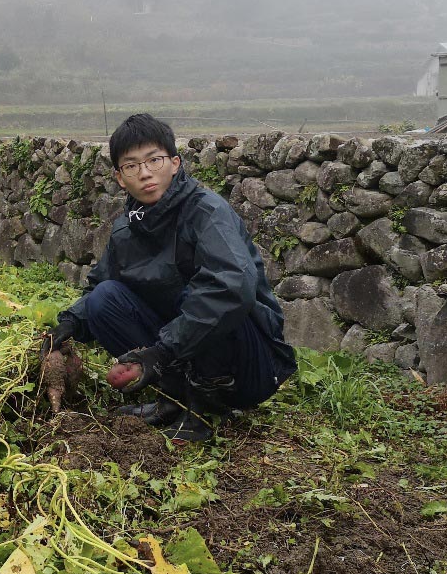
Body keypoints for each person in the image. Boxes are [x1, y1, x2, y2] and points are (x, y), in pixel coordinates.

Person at [46, 114, 296, 443]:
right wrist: (65, 326)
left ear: (175, 163)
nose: (145, 172)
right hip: (180, 353)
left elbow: (233, 285)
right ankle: (175, 399)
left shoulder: (206, 212)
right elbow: (99, 288)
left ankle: (203, 408)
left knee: (202, 290)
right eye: (132, 165)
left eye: (154, 160)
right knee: (103, 299)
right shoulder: (126, 228)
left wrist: (161, 352)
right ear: (120, 178)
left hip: (249, 365)